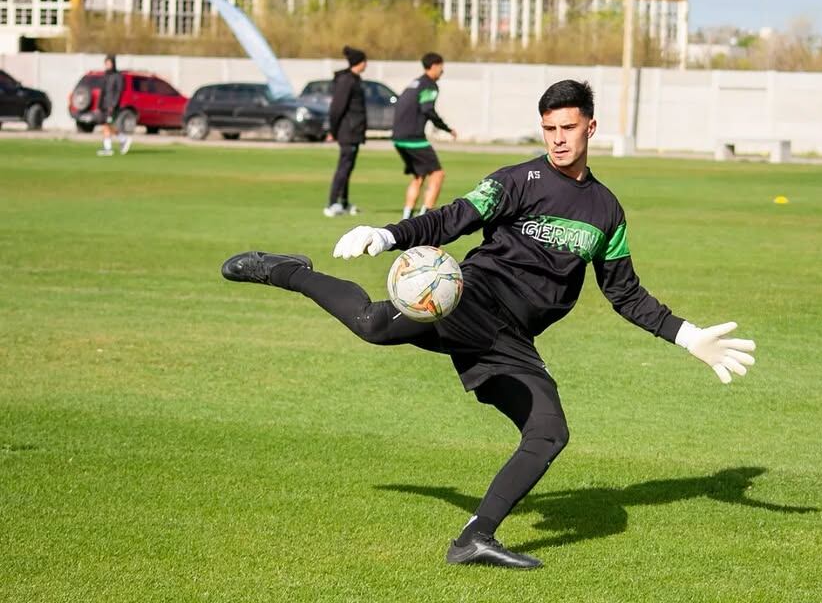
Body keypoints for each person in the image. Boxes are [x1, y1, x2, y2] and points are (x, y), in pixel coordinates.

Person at [221, 80, 757, 569]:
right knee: (371, 324)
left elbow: (624, 293)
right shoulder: (516, 180)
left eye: (568, 127)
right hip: (469, 299)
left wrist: (689, 336)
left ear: (590, 127)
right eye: (549, 128)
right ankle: (286, 271)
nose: (558, 139)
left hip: (512, 338)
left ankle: (473, 539)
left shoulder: (606, 212)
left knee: (549, 433)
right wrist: (388, 235)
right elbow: (454, 217)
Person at [392, 52, 457, 219]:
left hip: (399, 137)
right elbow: (427, 109)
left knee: (418, 176)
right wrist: (446, 128)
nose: (442, 71)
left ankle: (407, 217)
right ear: (434, 66)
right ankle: (425, 218)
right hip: (414, 138)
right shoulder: (429, 85)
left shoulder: (415, 83)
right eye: (441, 67)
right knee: (437, 174)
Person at [325, 45, 368, 217]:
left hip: (355, 132)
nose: (366, 64)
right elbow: (337, 108)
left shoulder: (355, 79)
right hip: (347, 132)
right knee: (343, 168)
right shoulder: (347, 81)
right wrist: (333, 131)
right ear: (359, 62)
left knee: (348, 169)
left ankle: (343, 202)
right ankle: (332, 204)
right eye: (364, 61)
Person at [97, 54, 131, 156]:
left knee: (107, 125)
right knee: (107, 125)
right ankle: (123, 139)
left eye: (109, 63)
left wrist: (113, 105)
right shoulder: (106, 75)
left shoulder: (118, 76)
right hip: (104, 105)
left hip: (112, 106)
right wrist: (99, 105)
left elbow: (118, 92)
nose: (107, 65)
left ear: (113, 64)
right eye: (106, 63)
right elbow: (103, 92)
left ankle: (108, 148)